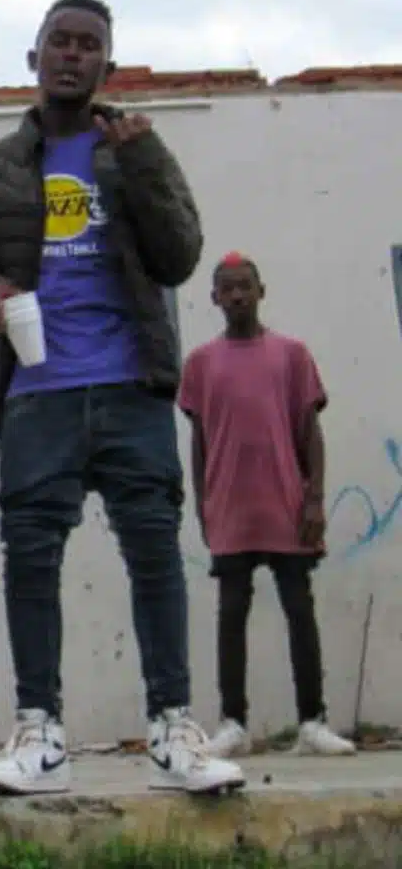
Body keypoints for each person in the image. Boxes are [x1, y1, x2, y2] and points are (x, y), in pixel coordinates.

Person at [0, 0, 244, 796]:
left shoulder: (137, 148)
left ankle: (173, 733)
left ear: (107, 64)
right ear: (34, 57)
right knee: (30, 560)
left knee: (154, 554)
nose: (72, 54)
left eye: (88, 45)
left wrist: (141, 165)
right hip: (36, 392)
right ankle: (39, 738)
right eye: (60, 41)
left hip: (132, 387)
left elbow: (180, 256)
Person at [177, 252, 356, 758]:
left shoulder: (291, 355)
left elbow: (310, 432)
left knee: (300, 608)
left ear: (261, 291)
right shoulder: (200, 364)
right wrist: (202, 502)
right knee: (231, 612)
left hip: (286, 503)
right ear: (214, 297)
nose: (237, 295)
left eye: (245, 286)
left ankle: (313, 722)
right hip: (230, 507)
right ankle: (233, 724)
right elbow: (199, 442)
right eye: (227, 288)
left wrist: (315, 497)